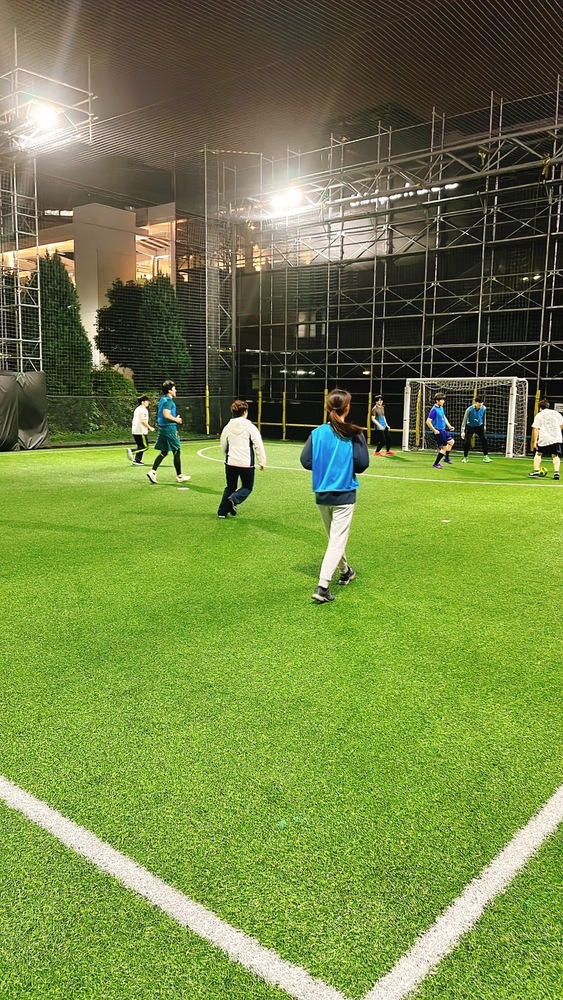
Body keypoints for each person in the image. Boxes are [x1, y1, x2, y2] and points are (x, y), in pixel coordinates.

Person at [300, 389, 369, 603]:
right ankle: (322, 586)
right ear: (347, 408)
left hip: (322, 494)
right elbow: (362, 464)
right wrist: (341, 468)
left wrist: (326, 468)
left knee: (334, 539)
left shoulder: (317, 433)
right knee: (336, 540)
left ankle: (345, 571)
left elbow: (306, 461)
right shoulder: (354, 433)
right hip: (344, 493)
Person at [217, 400, 266, 517]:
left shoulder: (227, 427)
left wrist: (226, 455)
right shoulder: (250, 427)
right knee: (247, 487)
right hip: (246, 463)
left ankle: (222, 512)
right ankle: (234, 499)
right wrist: (262, 461)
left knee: (230, 487)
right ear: (245, 412)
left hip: (230, 462)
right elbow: (258, 445)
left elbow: (223, 444)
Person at [146, 380, 191, 485]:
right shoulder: (169, 401)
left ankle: (152, 471)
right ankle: (179, 476)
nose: (176, 390)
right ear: (170, 390)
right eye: (174, 388)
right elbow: (166, 415)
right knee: (177, 450)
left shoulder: (163, 399)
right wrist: (176, 420)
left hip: (163, 428)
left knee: (164, 452)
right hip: (169, 429)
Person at [528, 399, 563, 480]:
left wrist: (535, 441)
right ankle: (556, 473)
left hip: (545, 438)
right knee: (555, 455)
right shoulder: (556, 413)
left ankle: (536, 471)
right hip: (556, 437)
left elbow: (536, 429)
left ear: (540, 408)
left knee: (538, 453)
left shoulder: (539, 415)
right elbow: (561, 425)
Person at [426, 393, 455, 469]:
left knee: (451, 442)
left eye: (443, 400)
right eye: (441, 400)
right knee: (444, 448)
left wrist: (449, 426)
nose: (443, 401)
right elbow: (428, 422)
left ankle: (446, 458)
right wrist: (434, 430)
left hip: (443, 430)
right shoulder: (434, 410)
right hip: (439, 431)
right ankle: (435, 464)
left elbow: (444, 417)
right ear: (437, 401)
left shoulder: (441, 408)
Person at [461, 397, 492, 463]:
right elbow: (464, 421)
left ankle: (485, 457)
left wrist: (484, 426)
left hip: (479, 426)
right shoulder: (469, 409)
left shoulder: (484, 408)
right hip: (470, 427)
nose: (480, 404)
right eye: (479, 403)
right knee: (467, 442)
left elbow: (484, 417)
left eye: (481, 403)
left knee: (484, 440)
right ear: (475, 402)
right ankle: (465, 457)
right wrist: (462, 431)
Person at [127, 395, 154, 466]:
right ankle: (132, 451)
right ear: (142, 402)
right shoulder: (144, 410)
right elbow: (143, 420)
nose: (148, 402)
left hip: (135, 430)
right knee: (145, 447)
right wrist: (150, 427)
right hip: (141, 431)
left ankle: (137, 460)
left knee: (140, 446)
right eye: (147, 401)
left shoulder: (137, 409)